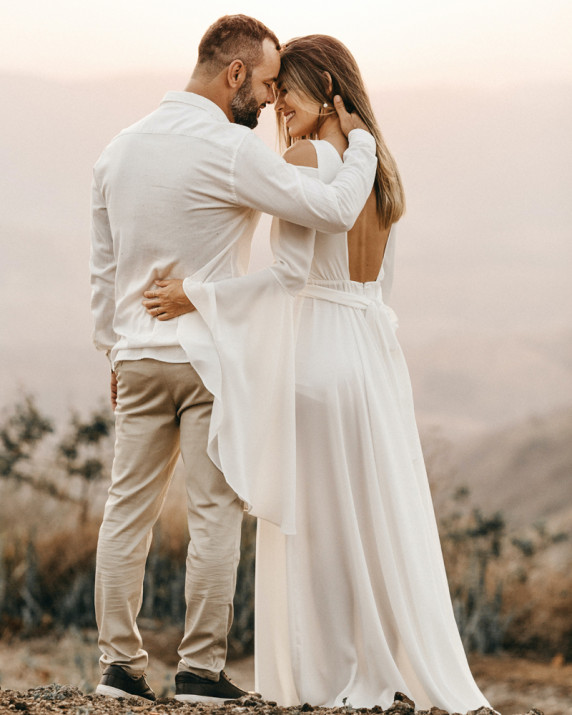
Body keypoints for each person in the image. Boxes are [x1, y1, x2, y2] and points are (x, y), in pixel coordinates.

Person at [144, 35, 495, 712]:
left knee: (315, 528)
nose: (276, 106)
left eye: (288, 92)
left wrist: (200, 294)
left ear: (328, 88)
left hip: (318, 352)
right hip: (372, 356)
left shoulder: (309, 159)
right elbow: (379, 283)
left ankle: (322, 677)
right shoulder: (380, 168)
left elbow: (289, 276)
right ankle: (386, 666)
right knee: (372, 521)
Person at [90, 15, 377, 704]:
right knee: (214, 513)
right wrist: (360, 141)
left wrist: (113, 350)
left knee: (124, 512)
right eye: (269, 81)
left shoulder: (117, 150)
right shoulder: (231, 151)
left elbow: (103, 272)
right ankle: (198, 670)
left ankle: (118, 668)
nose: (272, 100)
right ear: (236, 74)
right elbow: (331, 211)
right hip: (207, 359)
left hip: (136, 354)